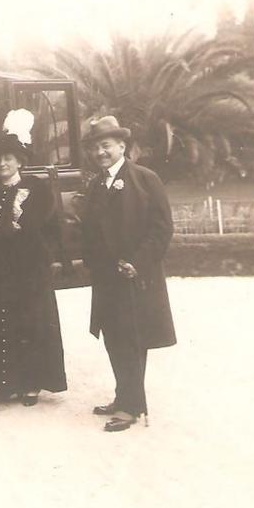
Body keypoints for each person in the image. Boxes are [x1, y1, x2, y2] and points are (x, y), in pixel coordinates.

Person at [80, 116, 177, 432]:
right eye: (95, 147)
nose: (100, 153)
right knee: (114, 338)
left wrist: (139, 262)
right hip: (107, 279)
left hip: (136, 276)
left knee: (134, 339)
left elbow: (162, 229)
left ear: (122, 145)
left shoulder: (145, 179)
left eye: (106, 145)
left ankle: (132, 407)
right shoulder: (96, 184)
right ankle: (124, 396)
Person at [0, 132, 67, 405]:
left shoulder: (36, 188)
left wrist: (22, 220)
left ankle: (32, 385)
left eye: (8, 159)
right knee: (1, 325)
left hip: (30, 271)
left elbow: (47, 228)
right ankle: (8, 385)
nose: (2, 164)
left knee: (30, 326)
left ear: (19, 161)